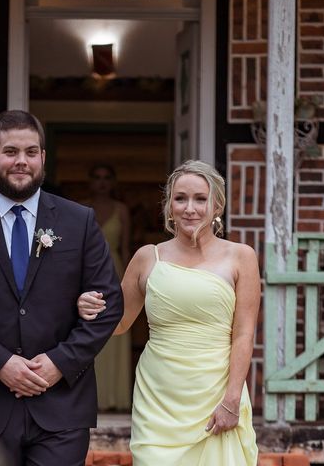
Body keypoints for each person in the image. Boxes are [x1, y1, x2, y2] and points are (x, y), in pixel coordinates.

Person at [0, 110, 124, 466]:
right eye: (11, 152)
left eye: (31, 152)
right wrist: (0, 363)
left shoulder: (80, 221)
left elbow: (108, 304)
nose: (21, 161)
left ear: (43, 158)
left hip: (60, 406)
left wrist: (59, 363)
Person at [77, 160, 260, 465]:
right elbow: (119, 323)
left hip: (215, 390)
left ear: (217, 205)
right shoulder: (148, 257)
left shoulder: (241, 257)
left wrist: (231, 399)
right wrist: (86, 306)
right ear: (169, 206)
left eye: (200, 199)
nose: (190, 208)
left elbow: (243, 333)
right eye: (181, 198)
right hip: (159, 396)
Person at [81, 164, 132, 411]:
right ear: (90, 181)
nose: (101, 182)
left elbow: (125, 247)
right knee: (87, 329)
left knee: (115, 331)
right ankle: (91, 398)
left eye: (106, 177)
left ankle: (114, 398)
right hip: (87, 271)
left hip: (116, 270)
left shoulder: (121, 210)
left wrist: (127, 286)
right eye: (97, 177)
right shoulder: (81, 208)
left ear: (113, 182)